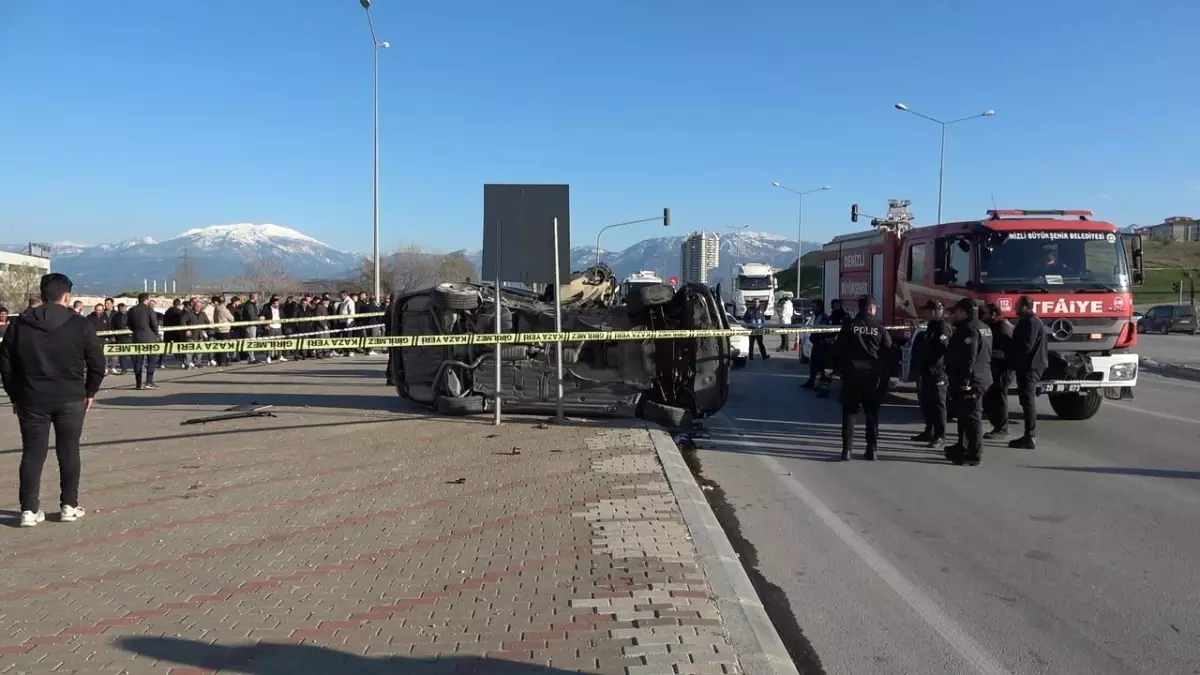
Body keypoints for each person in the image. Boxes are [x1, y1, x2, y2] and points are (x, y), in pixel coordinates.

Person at [0, 273, 105, 527]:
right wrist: (89, 391)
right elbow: (97, 363)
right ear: (66, 296)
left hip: (31, 398)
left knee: (32, 453)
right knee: (68, 451)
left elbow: (5, 365)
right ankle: (69, 504)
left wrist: (15, 395)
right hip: (70, 398)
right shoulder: (79, 324)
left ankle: (28, 509)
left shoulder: (19, 325)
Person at [833, 295, 891, 461]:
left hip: (852, 376)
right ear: (872, 308)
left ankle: (847, 450)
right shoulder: (879, 327)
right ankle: (872, 450)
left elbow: (838, 348)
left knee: (849, 414)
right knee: (872, 415)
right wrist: (890, 374)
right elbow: (889, 350)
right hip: (873, 378)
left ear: (859, 308)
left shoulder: (849, 325)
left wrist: (836, 369)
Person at [944, 298, 993, 466]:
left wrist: (965, 379)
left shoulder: (969, 330)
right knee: (964, 416)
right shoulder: (984, 327)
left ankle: (974, 453)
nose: (954, 315)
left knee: (972, 418)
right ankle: (962, 446)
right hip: (981, 376)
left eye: (956, 311)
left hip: (972, 380)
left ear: (964, 312)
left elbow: (969, 358)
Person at [1007, 295, 1048, 449]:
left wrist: (1011, 357)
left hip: (1030, 366)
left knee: (1028, 400)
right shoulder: (1029, 321)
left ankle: (1030, 435)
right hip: (1029, 365)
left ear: (1025, 307)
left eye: (1017, 306)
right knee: (1025, 399)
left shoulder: (1030, 322)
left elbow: (1026, 346)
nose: (1015, 309)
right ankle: (1029, 434)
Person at [912, 300, 951, 449]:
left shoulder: (943, 328)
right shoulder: (931, 326)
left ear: (934, 311)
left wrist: (936, 366)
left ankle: (940, 436)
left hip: (938, 372)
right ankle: (929, 430)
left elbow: (944, 350)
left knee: (938, 405)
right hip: (927, 371)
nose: (924, 313)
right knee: (926, 402)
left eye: (926, 310)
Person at [980, 302, 1015, 440]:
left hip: (1003, 369)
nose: (982, 316)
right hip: (992, 368)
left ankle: (1002, 428)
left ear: (993, 314)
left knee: (999, 398)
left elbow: (1008, 351)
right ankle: (997, 425)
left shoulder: (1001, 327)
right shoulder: (990, 326)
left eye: (985, 313)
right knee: (990, 398)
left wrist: (989, 353)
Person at [126, 293, 160, 389]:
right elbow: (154, 323)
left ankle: (138, 383)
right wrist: (156, 333)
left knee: (138, 361)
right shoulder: (150, 309)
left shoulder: (132, 310)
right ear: (146, 300)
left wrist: (136, 331)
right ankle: (149, 381)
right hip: (150, 338)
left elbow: (129, 324)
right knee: (152, 360)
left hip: (137, 338)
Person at [801, 299, 827, 389]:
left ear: (820, 307)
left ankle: (820, 385)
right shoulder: (816, 317)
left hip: (821, 345)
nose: (813, 309)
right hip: (816, 344)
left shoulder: (823, 318)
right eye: (812, 307)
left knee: (820, 367)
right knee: (813, 365)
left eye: (814, 307)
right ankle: (811, 382)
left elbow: (823, 332)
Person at [211, 295, 235, 367]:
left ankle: (218, 360)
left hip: (217, 330)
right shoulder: (225, 310)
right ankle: (223, 361)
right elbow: (231, 319)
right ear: (224, 301)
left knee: (218, 346)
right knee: (224, 347)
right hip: (224, 330)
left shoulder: (216, 309)